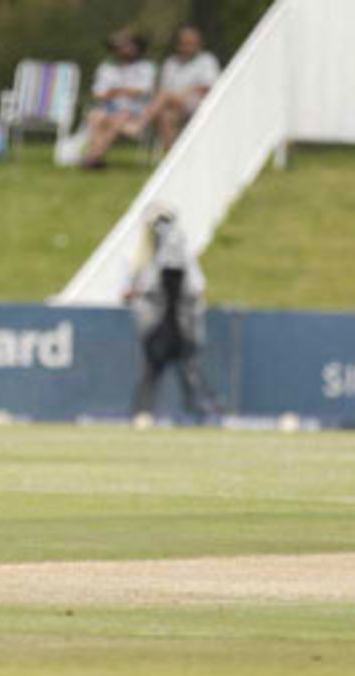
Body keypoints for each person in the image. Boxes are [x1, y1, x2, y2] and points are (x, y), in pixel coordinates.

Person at [124, 206, 221, 427]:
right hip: (160, 327)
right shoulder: (150, 258)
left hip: (179, 326)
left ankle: (197, 416)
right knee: (158, 372)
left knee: (184, 372)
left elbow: (195, 289)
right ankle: (144, 412)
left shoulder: (175, 256)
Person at [125, 26, 219, 153]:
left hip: (199, 103)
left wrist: (184, 92)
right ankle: (173, 155)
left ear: (198, 43)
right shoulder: (171, 63)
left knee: (165, 95)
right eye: (184, 43)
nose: (187, 46)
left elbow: (207, 86)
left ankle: (139, 124)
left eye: (191, 43)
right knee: (165, 115)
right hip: (174, 104)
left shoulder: (207, 60)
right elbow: (163, 87)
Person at [81, 30, 155, 169]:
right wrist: (123, 92)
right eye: (121, 46)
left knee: (120, 116)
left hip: (135, 114)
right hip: (109, 110)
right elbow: (98, 93)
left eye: (128, 45)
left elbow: (142, 91)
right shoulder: (106, 68)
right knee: (94, 116)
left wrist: (115, 92)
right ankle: (96, 157)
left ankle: (93, 157)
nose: (124, 50)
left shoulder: (145, 67)